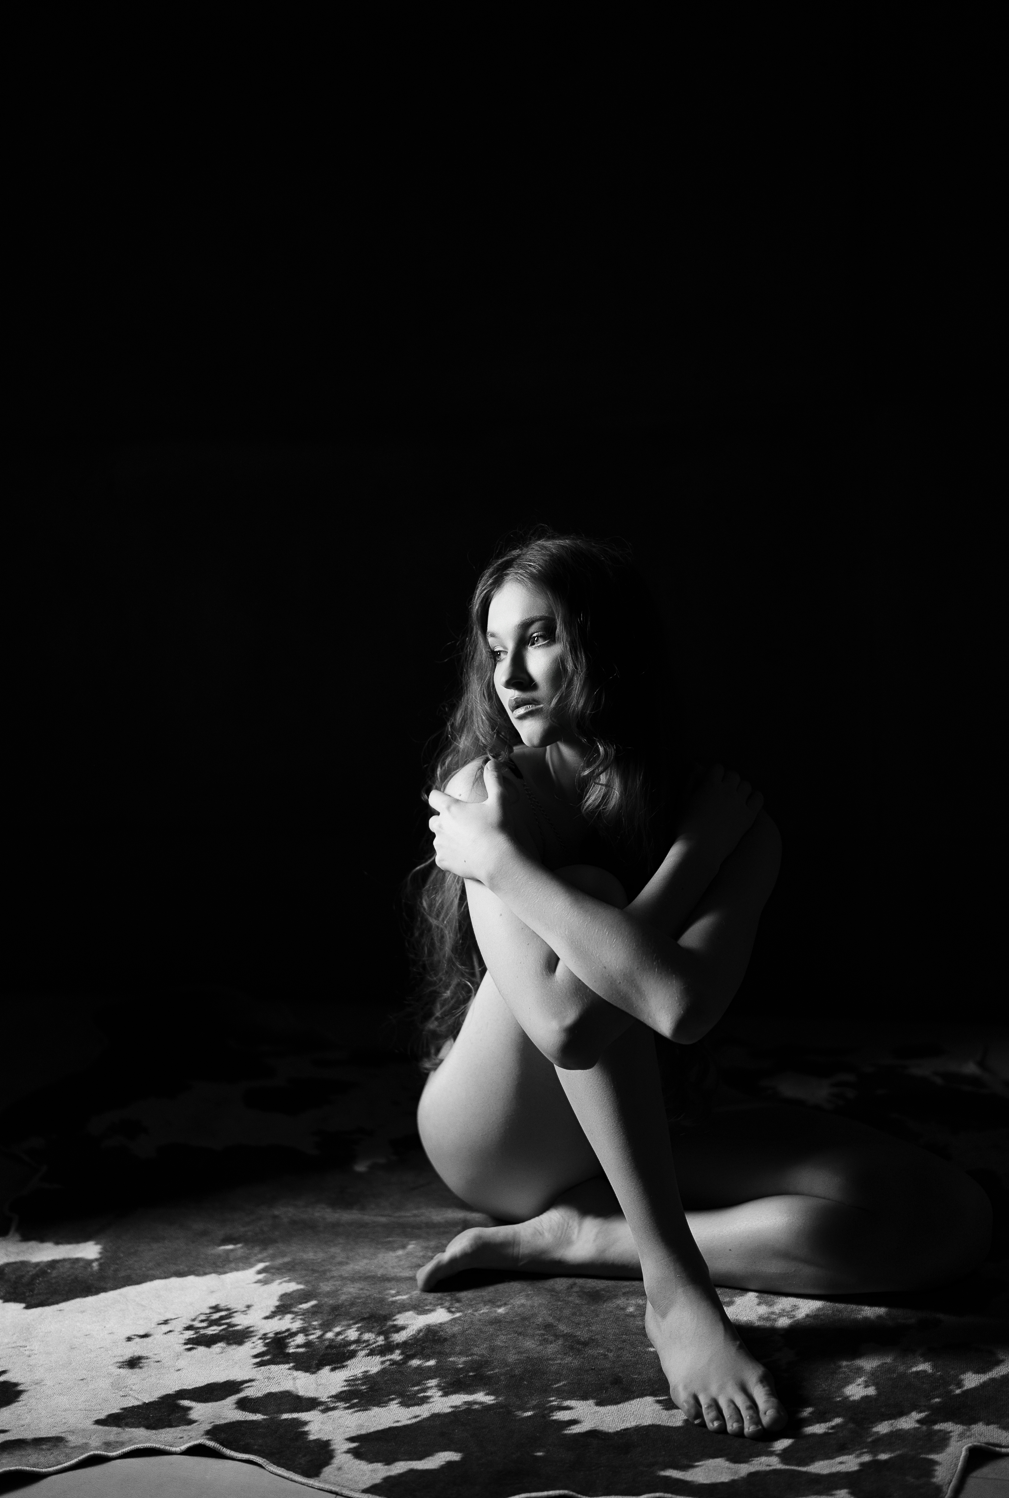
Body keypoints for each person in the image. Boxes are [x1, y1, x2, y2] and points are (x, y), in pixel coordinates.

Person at [404, 529, 991, 1440]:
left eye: (540, 637)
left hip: (656, 1115)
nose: (509, 678)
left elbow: (682, 1009)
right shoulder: (488, 798)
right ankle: (674, 1293)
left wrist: (686, 853)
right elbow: (565, 1027)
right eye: (495, 649)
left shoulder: (721, 821)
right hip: (496, 1136)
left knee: (945, 1220)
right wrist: (504, 860)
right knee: (589, 907)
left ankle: (594, 1237)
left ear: (608, 646)